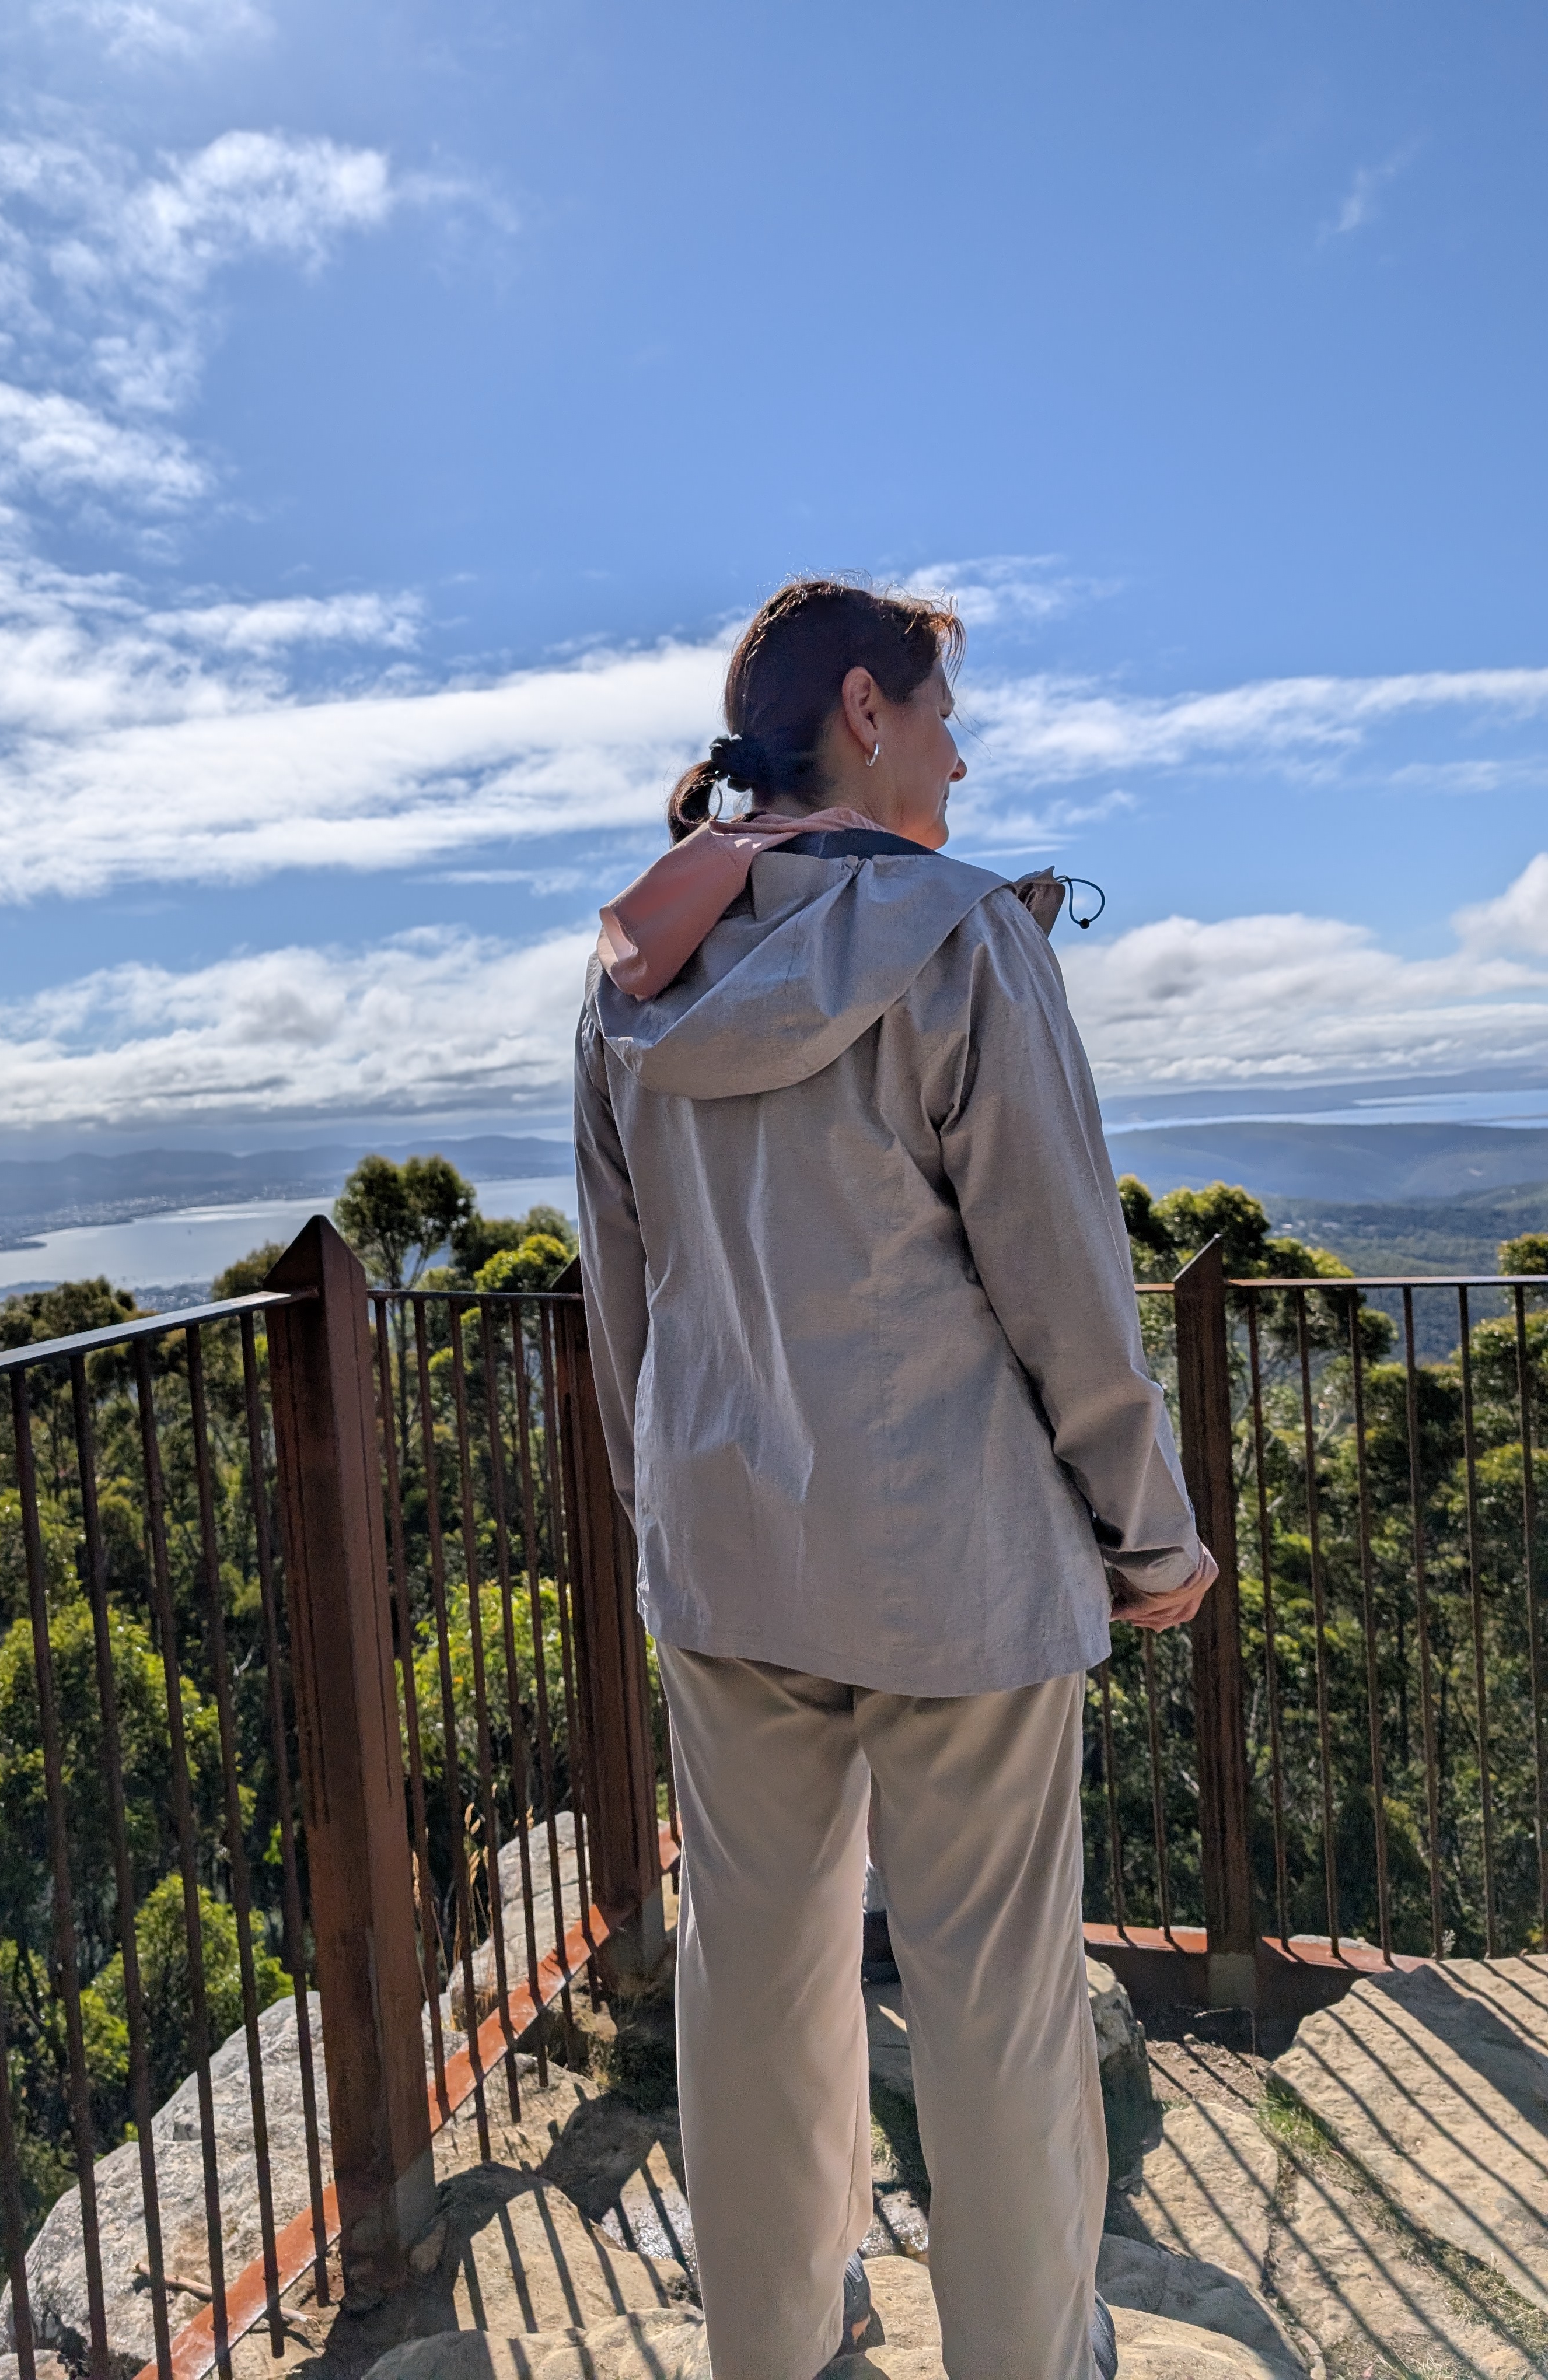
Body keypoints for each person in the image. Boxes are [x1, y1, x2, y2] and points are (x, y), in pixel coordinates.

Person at [574, 578, 1215, 2380]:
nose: (961, 755)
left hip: (728, 1565)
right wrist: (1151, 1538)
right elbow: (1067, 1288)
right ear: (866, 709)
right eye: (944, 714)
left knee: (756, 1988)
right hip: (960, 1573)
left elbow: (630, 1303)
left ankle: (774, 2350)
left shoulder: (632, 981)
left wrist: (667, 1516)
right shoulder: (962, 941)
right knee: (996, 2006)